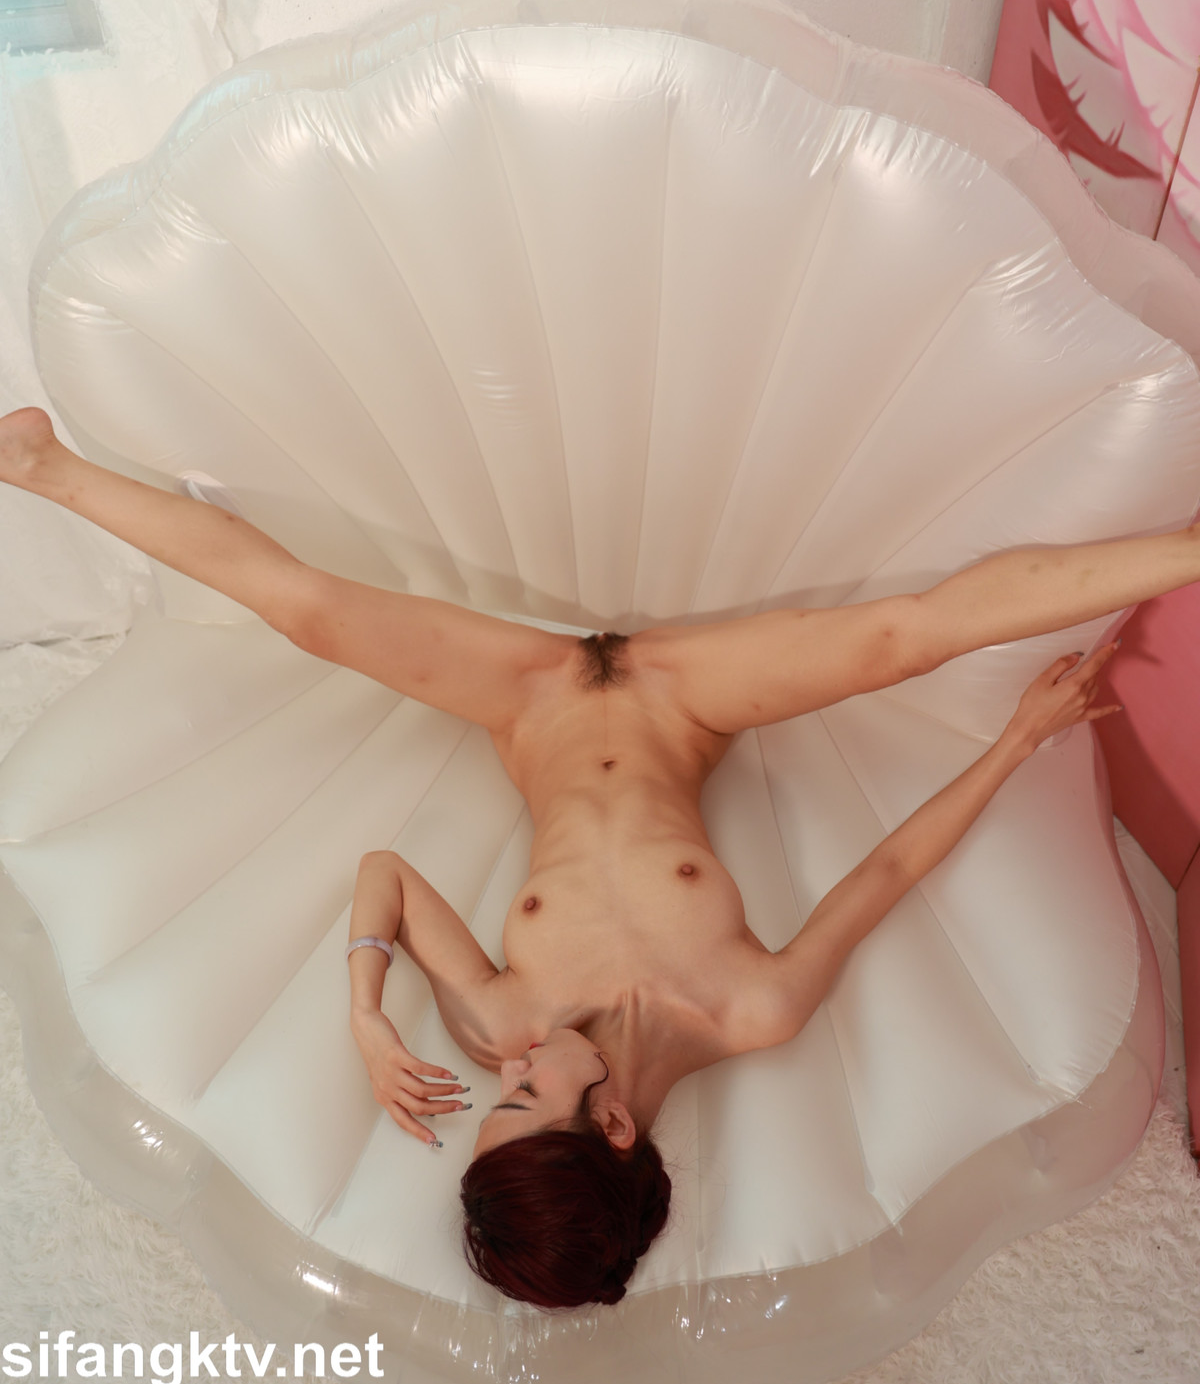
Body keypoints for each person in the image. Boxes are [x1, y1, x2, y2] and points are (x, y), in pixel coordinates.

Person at [2, 403, 1194, 1308]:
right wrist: (1016, 742)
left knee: (308, 610)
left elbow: (385, 875)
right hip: (683, 699)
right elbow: (887, 874)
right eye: (526, 1097)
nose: (509, 1070)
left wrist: (366, 1014)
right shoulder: (751, 1008)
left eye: (497, 1097)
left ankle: (41, 466)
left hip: (530, 698)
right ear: (615, 1123)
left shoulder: (501, 1017)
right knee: (905, 639)